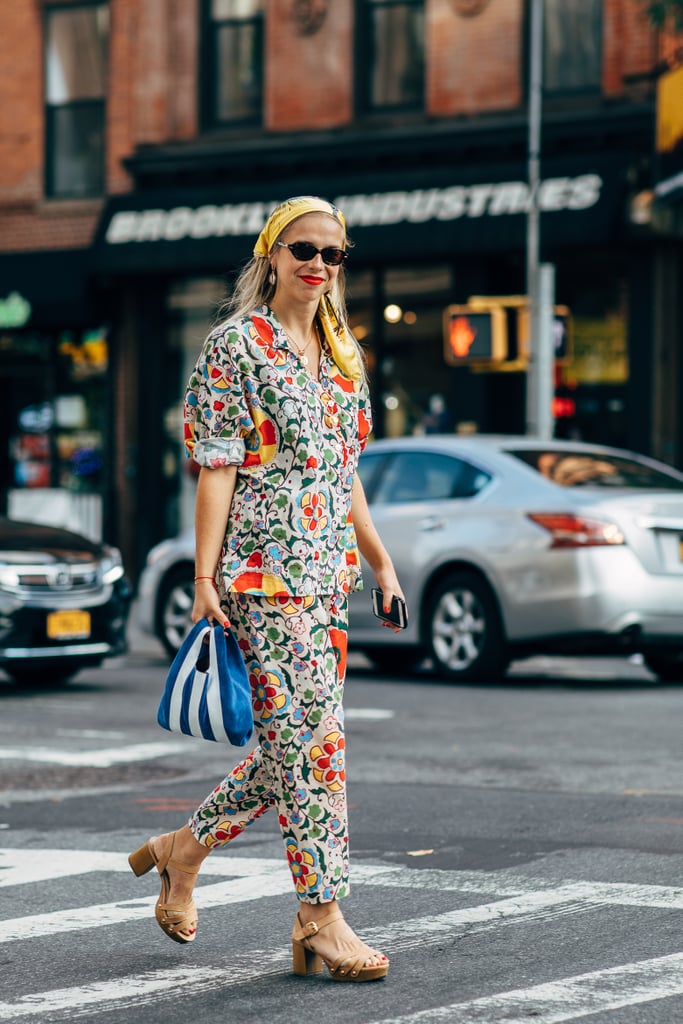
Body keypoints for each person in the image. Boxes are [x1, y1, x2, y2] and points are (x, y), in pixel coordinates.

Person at [129, 196, 404, 982]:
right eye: (303, 249)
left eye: (333, 253)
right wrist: (203, 576)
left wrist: (379, 563)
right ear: (272, 256)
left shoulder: (343, 352)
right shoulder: (235, 345)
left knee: (295, 744)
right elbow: (216, 465)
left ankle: (183, 851)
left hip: (326, 577)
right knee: (316, 745)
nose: (318, 264)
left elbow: (342, 476)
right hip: (262, 573)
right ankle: (321, 915)